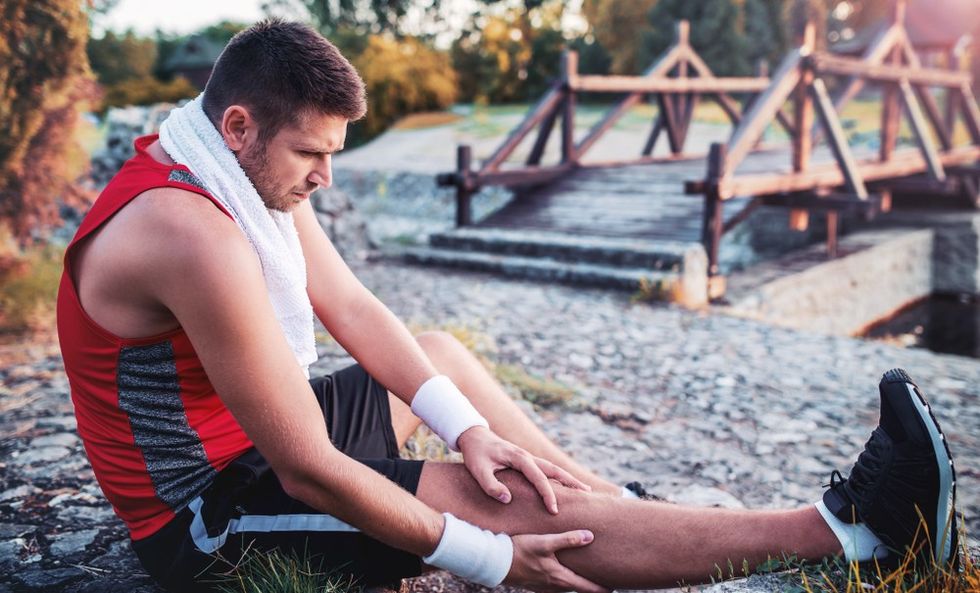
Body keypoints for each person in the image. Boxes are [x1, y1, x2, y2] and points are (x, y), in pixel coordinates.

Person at [56, 19, 959, 592]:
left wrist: (469, 427)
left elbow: (353, 305)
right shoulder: (192, 232)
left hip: (259, 446)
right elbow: (306, 470)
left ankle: (614, 503)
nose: (327, 178)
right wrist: (488, 559)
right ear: (240, 128)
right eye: (312, 156)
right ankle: (847, 533)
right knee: (496, 509)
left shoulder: (222, 168)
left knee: (441, 358)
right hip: (209, 520)